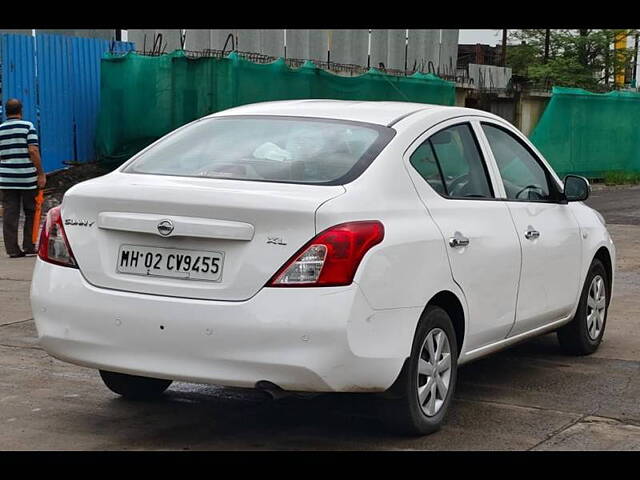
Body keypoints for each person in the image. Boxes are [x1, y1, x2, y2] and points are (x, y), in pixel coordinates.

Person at [0, 99, 46, 258]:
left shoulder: (0, 130)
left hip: (6, 179)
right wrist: (40, 173)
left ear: (6, 112)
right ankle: (29, 245)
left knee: (10, 213)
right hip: (26, 178)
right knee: (31, 211)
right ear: (21, 110)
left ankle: (12, 249)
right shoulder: (28, 127)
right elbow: (33, 151)